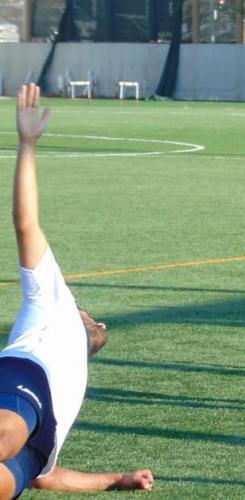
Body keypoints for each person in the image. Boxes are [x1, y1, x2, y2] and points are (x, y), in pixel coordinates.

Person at [0, 84, 154, 498]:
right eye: (92, 316)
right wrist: (27, 145)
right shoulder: (54, 304)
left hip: (38, 446)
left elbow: (48, 476)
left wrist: (116, 479)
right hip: (24, 376)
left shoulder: (74, 385)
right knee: (6, 439)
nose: (100, 321)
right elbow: (26, 224)